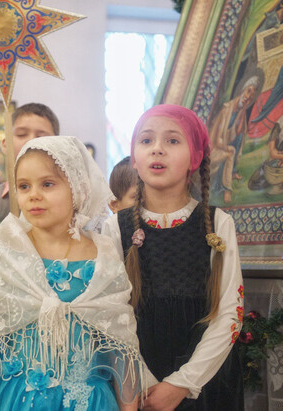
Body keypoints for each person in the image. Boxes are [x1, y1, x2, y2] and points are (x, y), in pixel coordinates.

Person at [0, 136, 148, 411]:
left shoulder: (103, 254)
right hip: (18, 401)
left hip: (88, 402)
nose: (33, 195)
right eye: (24, 186)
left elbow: (120, 351)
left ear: (77, 188)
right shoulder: (7, 251)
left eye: (47, 184)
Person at [102, 104, 244, 411]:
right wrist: (143, 380)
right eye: (146, 140)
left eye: (172, 141)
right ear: (135, 160)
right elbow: (108, 312)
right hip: (135, 382)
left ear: (194, 157)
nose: (157, 149)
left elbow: (230, 314)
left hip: (206, 380)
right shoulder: (115, 227)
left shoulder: (219, 224)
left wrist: (181, 383)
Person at [0, 103, 59, 221]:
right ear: (5, 144)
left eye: (41, 136)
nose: (31, 141)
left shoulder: (64, 198)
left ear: (59, 145)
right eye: (22, 134)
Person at [208, 76, 259, 203]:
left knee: (240, 137)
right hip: (214, 150)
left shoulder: (239, 112)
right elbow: (217, 139)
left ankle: (230, 176)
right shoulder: (226, 110)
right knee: (231, 152)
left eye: (251, 97)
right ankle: (227, 190)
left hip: (224, 149)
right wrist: (227, 147)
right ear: (242, 90)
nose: (248, 97)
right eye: (248, 92)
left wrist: (242, 112)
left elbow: (236, 134)